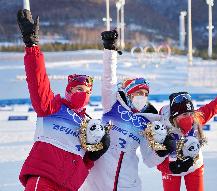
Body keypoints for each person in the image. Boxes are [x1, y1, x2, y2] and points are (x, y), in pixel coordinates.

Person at [17, 9, 110, 191]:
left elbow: (84, 160)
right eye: (78, 89)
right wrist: (32, 46)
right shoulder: (51, 106)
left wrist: (94, 154)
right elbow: (38, 82)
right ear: (69, 91)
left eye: (87, 91)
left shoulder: (87, 123)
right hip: (44, 179)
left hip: (68, 186)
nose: (83, 93)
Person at [79, 30, 175, 191]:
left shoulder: (148, 122)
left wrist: (162, 150)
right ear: (129, 94)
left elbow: (149, 160)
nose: (142, 96)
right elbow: (108, 80)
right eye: (138, 93)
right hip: (99, 177)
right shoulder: (113, 104)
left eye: (145, 94)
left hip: (127, 181)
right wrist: (110, 51)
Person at [157, 68, 217, 191]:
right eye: (184, 115)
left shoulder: (197, 117)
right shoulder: (162, 125)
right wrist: (170, 167)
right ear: (174, 117)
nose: (189, 118)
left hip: (194, 166)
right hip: (171, 169)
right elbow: (153, 155)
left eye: (190, 113)